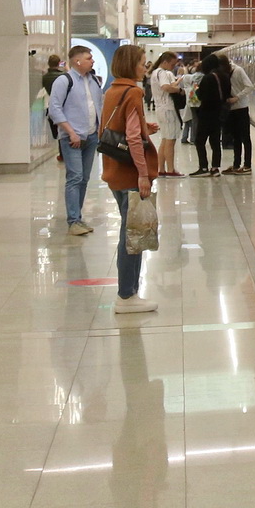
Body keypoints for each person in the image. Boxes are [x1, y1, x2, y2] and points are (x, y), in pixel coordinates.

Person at [99, 44, 159, 313]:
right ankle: (126, 296)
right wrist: (143, 175)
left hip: (115, 169)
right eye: (142, 63)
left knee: (130, 229)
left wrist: (146, 128)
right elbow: (133, 139)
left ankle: (129, 292)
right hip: (130, 174)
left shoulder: (112, 91)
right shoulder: (133, 92)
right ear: (130, 65)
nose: (145, 67)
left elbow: (117, 127)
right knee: (132, 234)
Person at [47, 45, 105, 235]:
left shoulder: (93, 81)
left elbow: (98, 105)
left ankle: (78, 217)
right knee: (75, 177)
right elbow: (55, 109)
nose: (92, 61)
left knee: (84, 179)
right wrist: (70, 132)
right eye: (89, 58)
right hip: (72, 138)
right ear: (77, 61)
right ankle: (73, 221)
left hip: (91, 136)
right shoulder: (64, 81)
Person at [190, 53, 230, 177]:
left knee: (200, 141)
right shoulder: (225, 76)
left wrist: (197, 90)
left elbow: (201, 96)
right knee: (215, 142)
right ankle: (215, 168)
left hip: (206, 113)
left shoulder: (207, 78)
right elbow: (227, 94)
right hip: (219, 113)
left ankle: (203, 167)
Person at [149, 52, 184, 177]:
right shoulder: (162, 72)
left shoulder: (155, 72)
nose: (173, 67)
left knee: (165, 139)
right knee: (170, 140)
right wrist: (179, 90)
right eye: (172, 64)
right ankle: (170, 169)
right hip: (168, 109)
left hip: (160, 109)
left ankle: (161, 169)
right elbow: (165, 87)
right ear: (165, 62)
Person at [224, 58, 254, 174]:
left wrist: (237, 97)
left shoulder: (238, 70)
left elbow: (249, 86)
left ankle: (247, 165)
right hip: (231, 109)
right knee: (236, 138)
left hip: (241, 107)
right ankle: (236, 165)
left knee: (245, 137)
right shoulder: (225, 72)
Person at [41, 54, 67, 160]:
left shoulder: (44, 77)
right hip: (64, 106)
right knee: (64, 130)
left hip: (51, 106)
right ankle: (64, 153)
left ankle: (61, 153)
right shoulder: (64, 76)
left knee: (57, 131)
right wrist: (66, 67)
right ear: (59, 63)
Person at [179, 59, 201, 147]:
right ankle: (193, 138)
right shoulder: (193, 87)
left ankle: (186, 138)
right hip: (195, 104)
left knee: (188, 123)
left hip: (190, 105)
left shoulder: (187, 88)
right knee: (194, 122)